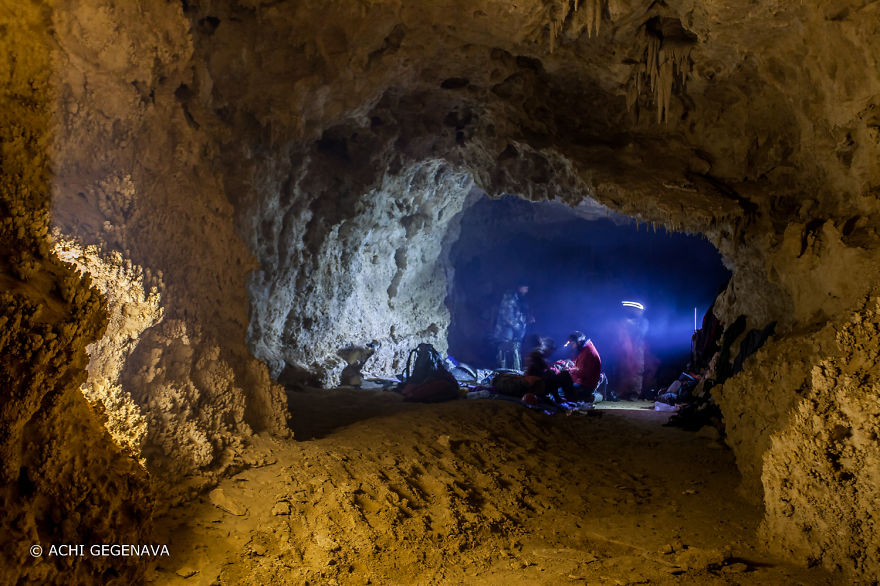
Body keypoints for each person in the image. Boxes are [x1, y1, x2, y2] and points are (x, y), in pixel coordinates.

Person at [492, 284, 531, 370]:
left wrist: (525, 321)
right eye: (525, 288)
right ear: (520, 287)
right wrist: (519, 328)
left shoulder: (518, 299)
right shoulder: (509, 298)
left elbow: (517, 316)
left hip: (513, 336)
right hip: (505, 334)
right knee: (504, 357)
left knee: (513, 357)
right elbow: (508, 318)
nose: (526, 291)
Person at [563, 331, 602, 401]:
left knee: (562, 386)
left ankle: (589, 397)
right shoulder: (586, 348)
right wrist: (573, 366)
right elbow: (581, 366)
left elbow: (583, 373)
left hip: (586, 385)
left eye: (573, 344)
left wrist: (569, 371)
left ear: (579, 342)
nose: (572, 347)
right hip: (584, 382)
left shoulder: (588, 352)